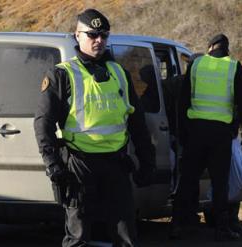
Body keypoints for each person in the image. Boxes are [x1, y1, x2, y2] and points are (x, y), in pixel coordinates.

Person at [34, 9, 156, 247]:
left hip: (116, 164)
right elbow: (43, 124)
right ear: (77, 36)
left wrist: (147, 161)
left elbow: (137, 122)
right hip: (79, 165)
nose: (99, 40)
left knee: (126, 236)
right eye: (92, 35)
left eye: (104, 35)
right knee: (78, 236)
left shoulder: (119, 73)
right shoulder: (62, 75)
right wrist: (53, 164)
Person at [170, 34, 242, 241]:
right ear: (226, 48)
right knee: (220, 182)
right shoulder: (234, 67)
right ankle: (222, 227)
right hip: (221, 134)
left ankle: (179, 223)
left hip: (196, 132)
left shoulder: (196, 64)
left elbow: (183, 99)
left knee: (188, 179)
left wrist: (183, 131)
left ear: (210, 47)